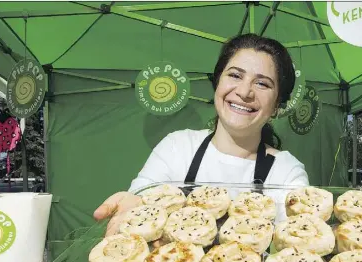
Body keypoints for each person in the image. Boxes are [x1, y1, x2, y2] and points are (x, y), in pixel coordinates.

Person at [94, 33, 309, 235]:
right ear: (218, 83)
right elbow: (141, 199)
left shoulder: (286, 172)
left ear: (276, 106)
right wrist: (134, 204)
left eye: (262, 83)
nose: (244, 92)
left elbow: (301, 234)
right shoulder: (177, 147)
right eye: (235, 75)